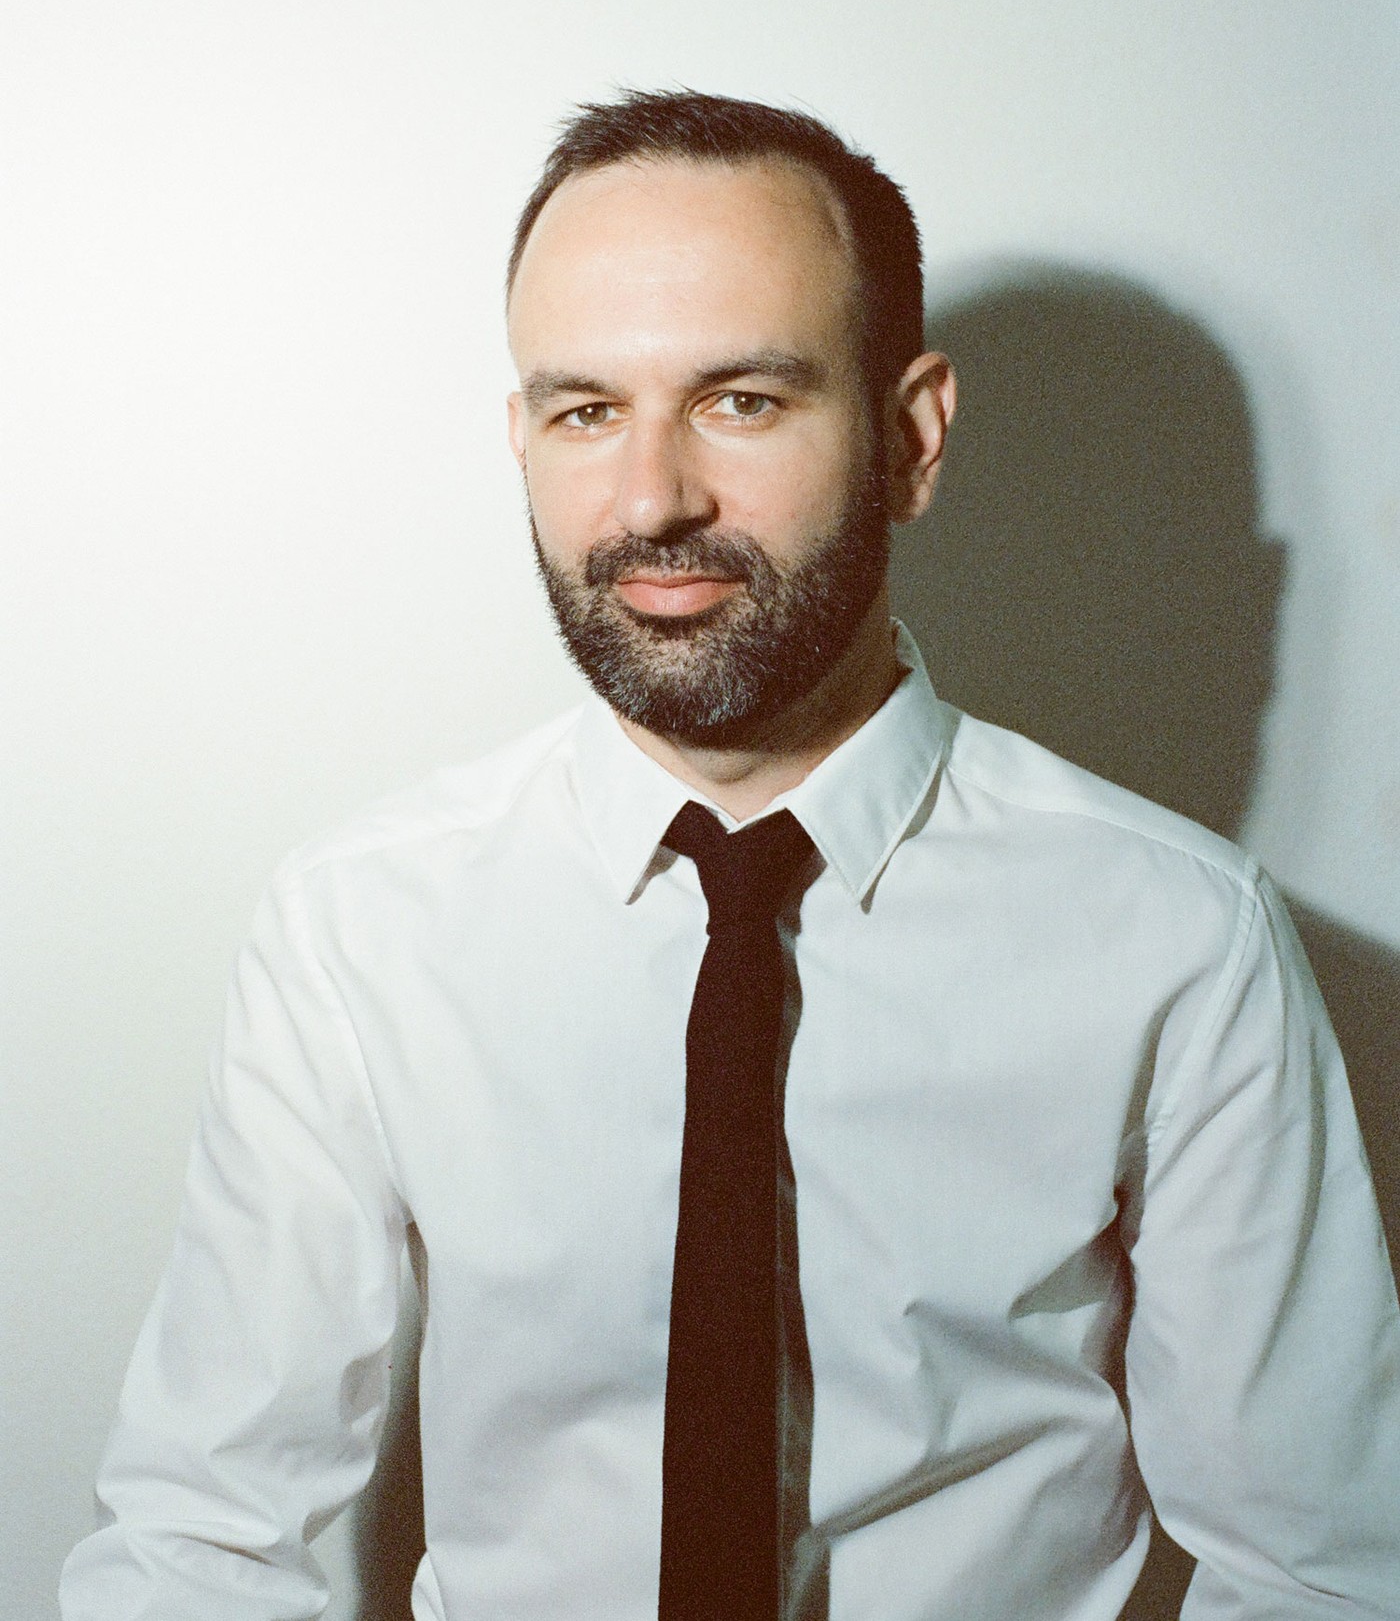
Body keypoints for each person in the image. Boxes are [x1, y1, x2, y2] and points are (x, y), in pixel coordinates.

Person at [61, 90, 1399, 1619]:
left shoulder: (1180, 939)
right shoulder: (361, 928)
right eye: (584, 411)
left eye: (741, 401)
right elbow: (201, 1538)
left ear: (912, 435)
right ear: (521, 437)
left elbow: (1319, 1569)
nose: (651, 501)